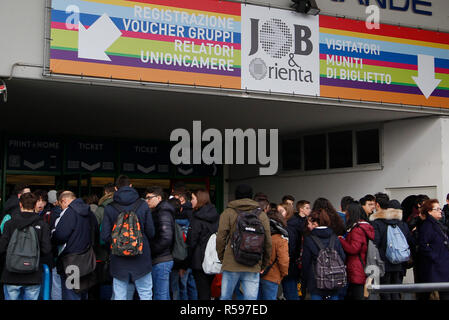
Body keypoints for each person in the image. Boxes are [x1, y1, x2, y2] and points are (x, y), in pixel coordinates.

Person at [101, 175, 155, 300]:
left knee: (120, 295)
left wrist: (119, 245)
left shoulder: (109, 208)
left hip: (118, 259)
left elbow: (104, 235)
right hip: (141, 257)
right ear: (131, 186)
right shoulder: (143, 205)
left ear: (115, 188)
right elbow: (151, 232)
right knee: (145, 293)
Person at [216, 184, 272, 300]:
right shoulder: (261, 214)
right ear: (251, 197)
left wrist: (222, 258)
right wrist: (264, 264)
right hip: (253, 262)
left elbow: (221, 238)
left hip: (231, 262)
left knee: (225, 297)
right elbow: (267, 242)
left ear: (236, 196)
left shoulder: (228, 213)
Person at [0, 192, 52, 300]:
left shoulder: (9, 224)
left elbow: (2, 247)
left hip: (11, 274)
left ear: (20, 204)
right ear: (35, 205)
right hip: (33, 274)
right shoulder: (42, 225)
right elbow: (46, 249)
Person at [52, 191, 99, 300]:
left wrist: (53, 236)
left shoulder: (69, 213)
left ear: (63, 201)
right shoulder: (89, 212)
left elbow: (60, 236)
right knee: (83, 291)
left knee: (71, 293)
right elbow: (96, 232)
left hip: (71, 261)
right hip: (87, 260)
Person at [369, 193, 413, 300]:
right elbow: (409, 241)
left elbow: (375, 243)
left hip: (384, 263)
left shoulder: (377, 223)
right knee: (396, 291)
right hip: (399, 262)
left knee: (385, 291)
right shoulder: (401, 224)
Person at [183, 189, 219, 300]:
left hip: (199, 261)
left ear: (199, 200)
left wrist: (185, 264)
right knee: (209, 290)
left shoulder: (196, 218)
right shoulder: (216, 216)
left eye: (193, 198)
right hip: (213, 259)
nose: (191, 201)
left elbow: (191, 242)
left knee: (202, 292)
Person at [302, 209, 346, 300]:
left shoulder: (309, 239)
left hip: (315, 281)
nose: (308, 226)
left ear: (315, 224)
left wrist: (304, 281)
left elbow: (306, 262)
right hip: (334, 280)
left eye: (309, 223)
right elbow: (342, 256)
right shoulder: (334, 237)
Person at [338, 202, 374, 300]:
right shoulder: (365, 227)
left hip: (357, 267)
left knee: (357, 295)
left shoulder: (357, 229)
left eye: (347, 212)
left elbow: (354, 249)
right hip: (362, 265)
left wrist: (341, 240)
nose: (346, 214)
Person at [145, 186, 175, 300]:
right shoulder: (160, 210)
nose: (147, 201)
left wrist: (151, 249)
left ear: (158, 197)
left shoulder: (163, 211)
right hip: (162, 258)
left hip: (161, 259)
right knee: (163, 294)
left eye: (149, 198)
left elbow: (166, 237)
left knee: (160, 295)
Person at [417, 199, 449, 300]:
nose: (440, 211)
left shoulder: (438, 225)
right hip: (435, 267)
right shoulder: (427, 226)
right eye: (437, 209)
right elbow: (423, 245)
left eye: (440, 208)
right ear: (429, 211)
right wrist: (435, 257)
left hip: (443, 265)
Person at [258, 207, 289, 300]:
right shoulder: (280, 240)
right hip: (272, 276)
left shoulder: (260, 236)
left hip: (256, 274)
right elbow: (283, 261)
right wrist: (283, 274)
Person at [171, 191, 197, 300]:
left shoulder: (171, 222)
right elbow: (191, 242)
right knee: (189, 286)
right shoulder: (192, 219)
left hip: (175, 259)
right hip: (189, 259)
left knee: (176, 287)